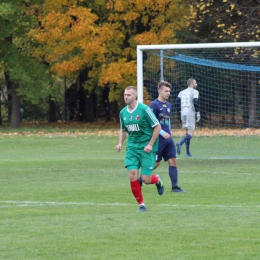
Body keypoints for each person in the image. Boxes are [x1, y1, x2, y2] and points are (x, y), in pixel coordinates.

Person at [115, 86, 164, 213]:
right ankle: (141, 204)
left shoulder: (145, 110)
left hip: (146, 148)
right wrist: (120, 143)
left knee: (146, 179)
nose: (126, 97)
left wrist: (150, 144)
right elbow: (123, 130)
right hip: (132, 148)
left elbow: (157, 127)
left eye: (129, 95)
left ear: (135, 96)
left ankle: (157, 180)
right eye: (125, 95)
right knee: (132, 174)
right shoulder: (122, 113)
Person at [139, 80, 186, 192]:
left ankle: (175, 187)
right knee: (155, 164)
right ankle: (140, 180)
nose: (168, 93)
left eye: (169, 91)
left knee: (173, 160)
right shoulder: (154, 105)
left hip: (168, 139)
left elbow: (166, 121)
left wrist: (168, 132)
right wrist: (161, 133)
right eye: (166, 91)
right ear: (159, 91)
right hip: (158, 140)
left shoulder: (168, 105)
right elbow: (150, 123)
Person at [175, 78, 200, 157]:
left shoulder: (181, 92)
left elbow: (176, 102)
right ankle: (180, 143)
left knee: (187, 132)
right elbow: (195, 102)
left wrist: (179, 111)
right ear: (192, 83)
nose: (196, 84)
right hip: (190, 113)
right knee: (190, 134)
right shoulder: (195, 92)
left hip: (183, 113)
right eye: (195, 83)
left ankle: (187, 152)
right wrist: (197, 112)